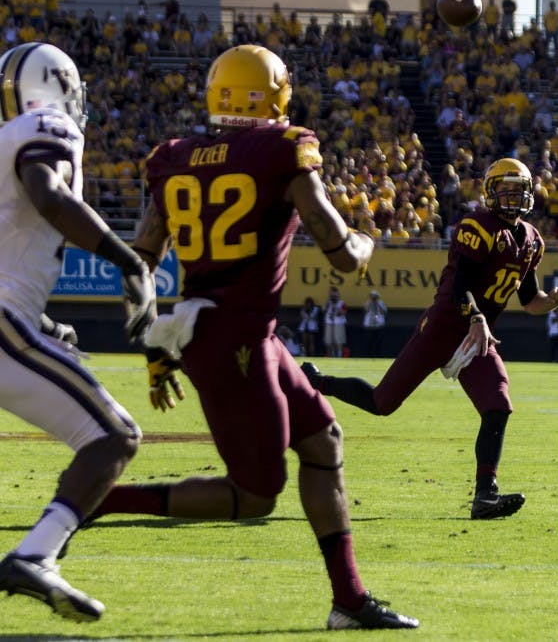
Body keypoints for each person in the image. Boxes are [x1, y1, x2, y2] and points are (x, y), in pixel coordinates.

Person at [78, 46, 417, 630]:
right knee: (254, 497)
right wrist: (365, 245)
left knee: (325, 443)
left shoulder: (176, 157)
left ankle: (350, 601)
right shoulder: (282, 150)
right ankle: (101, 500)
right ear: (278, 94)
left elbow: (141, 259)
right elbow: (337, 250)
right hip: (235, 339)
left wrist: (154, 343)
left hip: (228, 332)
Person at [303, 158, 558, 520]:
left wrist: (551, 302)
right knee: (382, 402)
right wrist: (476, 317)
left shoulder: (531, 241)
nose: (513, 198)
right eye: (506, 190)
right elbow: (460, 286)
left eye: (518, 190)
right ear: (491, 193)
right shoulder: (478, 226)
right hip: (446, 327)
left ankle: (485, 495)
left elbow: (529, 302)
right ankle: (317, 382)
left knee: (498, 404)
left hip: (478, 334)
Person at [0, 42, 157, 622]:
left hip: (13, 317)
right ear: (60, 83)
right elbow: (49, 193)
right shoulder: (48, 125)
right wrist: (128, 260)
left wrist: (43, 324)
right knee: (114, 436)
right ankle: (34, 554)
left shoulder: (5, 138)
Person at [323, 287, 348, 358]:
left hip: (338, 323)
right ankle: (331, 355)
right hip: (329, 323)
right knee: (329, 340)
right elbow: (324, 310)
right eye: (332, 296)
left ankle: (339, 355)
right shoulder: (328, 303)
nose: (333, 297)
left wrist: (336, 307)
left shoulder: (342, 303)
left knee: (339, 340)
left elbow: (343, 313)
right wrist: (329, 304)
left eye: (335, 296)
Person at [362, 290, 388, 356]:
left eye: (375, 296)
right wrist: (371, 302)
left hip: (379, 325)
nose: (374, 298)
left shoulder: (380, 303)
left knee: (378, 342)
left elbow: (384, 311)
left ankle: (378, 355)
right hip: (369, 326)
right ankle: (368, 355)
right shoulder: (368, 303)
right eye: (372, 296)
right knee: (369, 342)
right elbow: (366, 309)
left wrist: (377, 303)